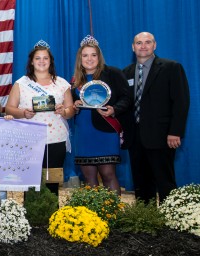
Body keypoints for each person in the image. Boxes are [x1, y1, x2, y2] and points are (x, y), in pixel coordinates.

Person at [122, 32, 190, 203]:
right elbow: (125, 104)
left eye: (147, 42)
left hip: (162, 136)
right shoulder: (127, 72)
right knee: (141, 182)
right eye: (139, 43)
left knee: (164, 181)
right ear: (133, 47)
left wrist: (175, 131)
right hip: (135, 138)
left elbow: (181, 102)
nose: (143, 46)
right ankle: (147, 220)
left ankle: (170, 221)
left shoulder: (171, 67)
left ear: (155, 45)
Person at [5, 41, 74, 195]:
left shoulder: (62, 83)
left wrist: (64, 111)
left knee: (52, 181)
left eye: (45, 58)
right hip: (29, 138)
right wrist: (23, 113)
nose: (42, 61)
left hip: (56, 138)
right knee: (30, 182)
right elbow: (9, 108)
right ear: (31, 61)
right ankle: (31, 216)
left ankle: (52, 216)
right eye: (38, 58)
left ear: (51, 61)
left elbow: (71, 110)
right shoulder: (21, 83)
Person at [71, 36, 131, 196]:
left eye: (93, 55)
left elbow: (127, 98)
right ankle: (95, 218)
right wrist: (75, 106)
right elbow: (73, 104)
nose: (89, 59)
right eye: (85, 55)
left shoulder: (113, 73)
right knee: (88, 177)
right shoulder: (76, 81)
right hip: (84, 132)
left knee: (108, 174)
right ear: (80, 58)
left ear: (99, 57)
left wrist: (114, 109)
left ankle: (113, 215)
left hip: (106, 130)